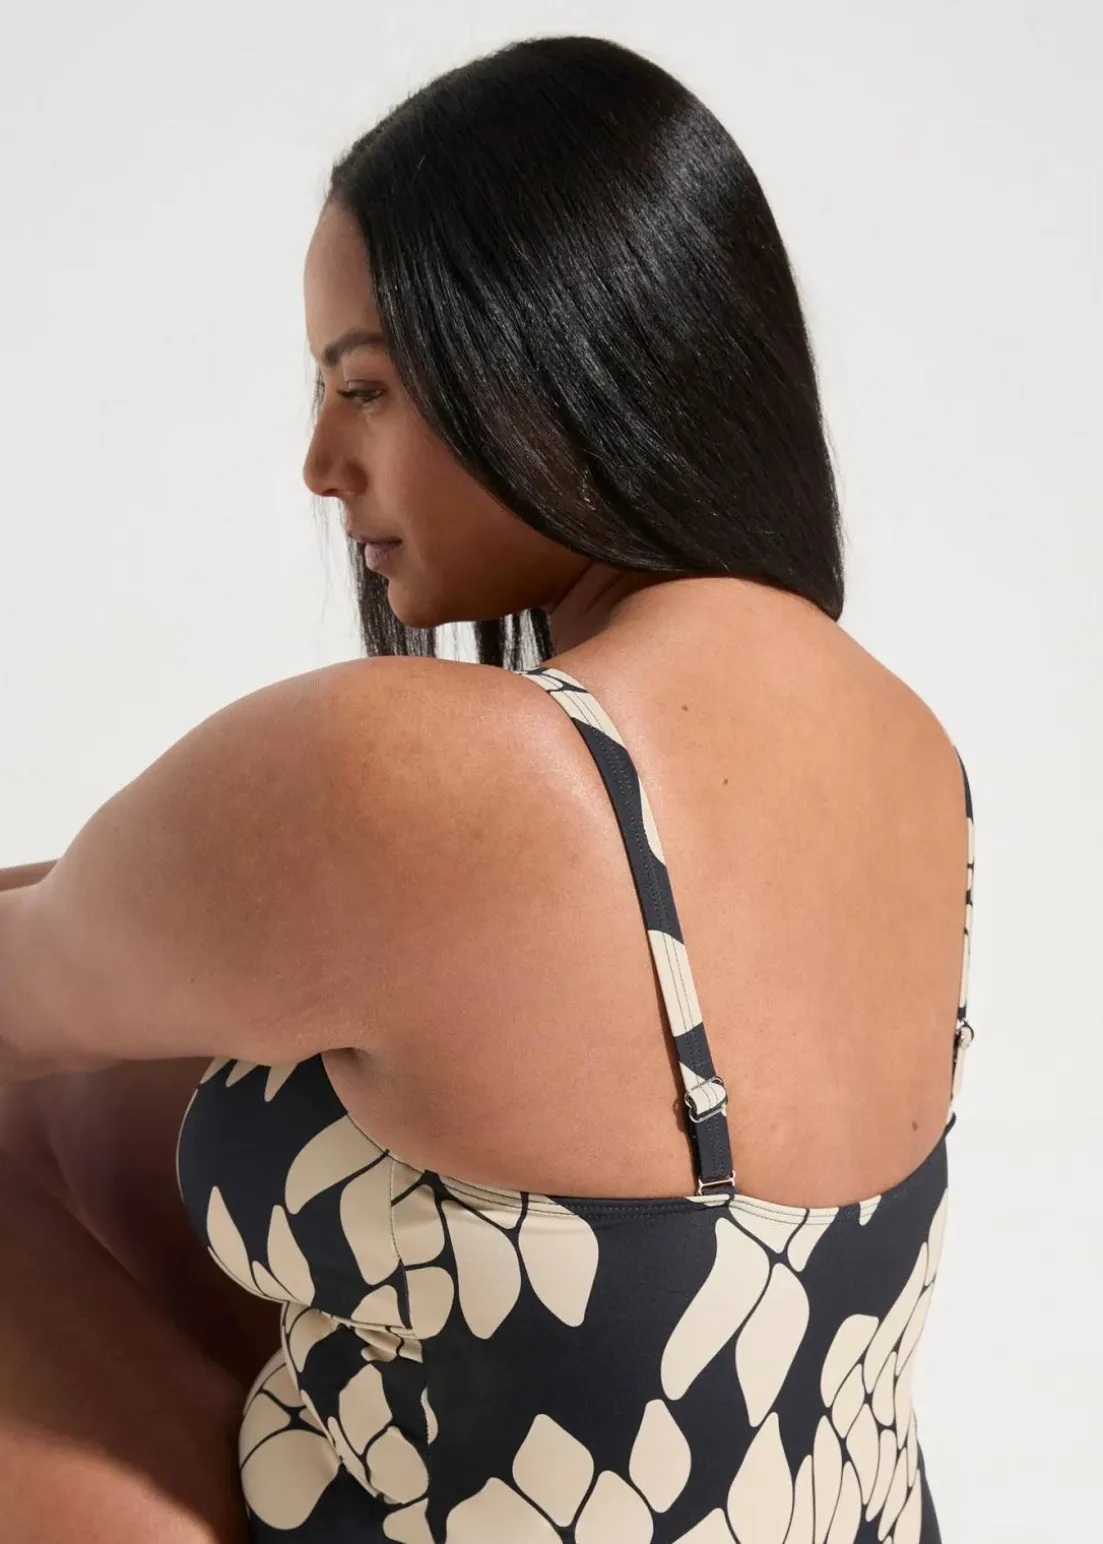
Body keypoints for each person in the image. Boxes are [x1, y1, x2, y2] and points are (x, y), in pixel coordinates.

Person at [0, 34, 974, 1544]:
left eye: (365, 388)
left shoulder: (429, 774)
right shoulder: (912, 749)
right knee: (137, 1088)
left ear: (550, 360)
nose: (321, 463)